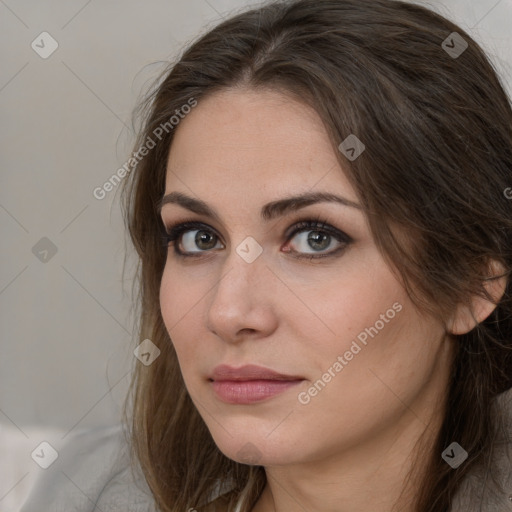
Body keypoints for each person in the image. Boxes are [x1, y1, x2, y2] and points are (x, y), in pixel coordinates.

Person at [20, 0, 512, 511]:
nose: (227, 313)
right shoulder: (89, 490)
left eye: (314, 238)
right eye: (198, 238)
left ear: (472, 282)